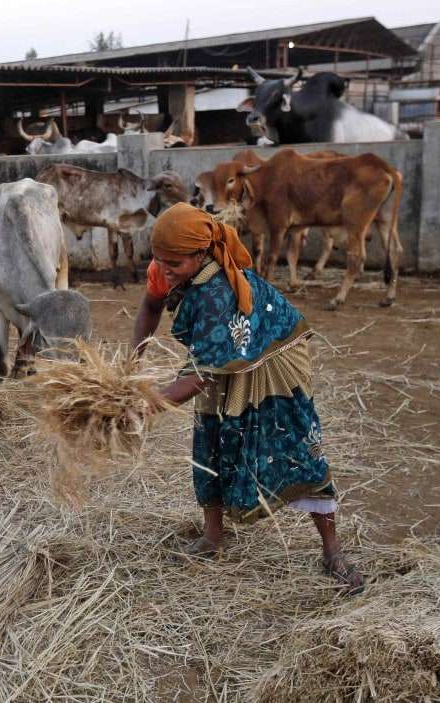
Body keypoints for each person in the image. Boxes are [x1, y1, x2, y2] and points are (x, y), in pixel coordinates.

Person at [138, 202, 363, 594]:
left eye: (174, 261)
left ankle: (332, 551)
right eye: (160, 260)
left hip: (273, 361)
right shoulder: (167, 267)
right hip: (220, 358)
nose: (164, 268)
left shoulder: (215, 294)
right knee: (209, 440)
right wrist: (131, 359)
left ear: (201, 253)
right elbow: (151, 303)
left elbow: (198, 378)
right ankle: (213, 536)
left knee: (298, 446)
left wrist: (143, 405)